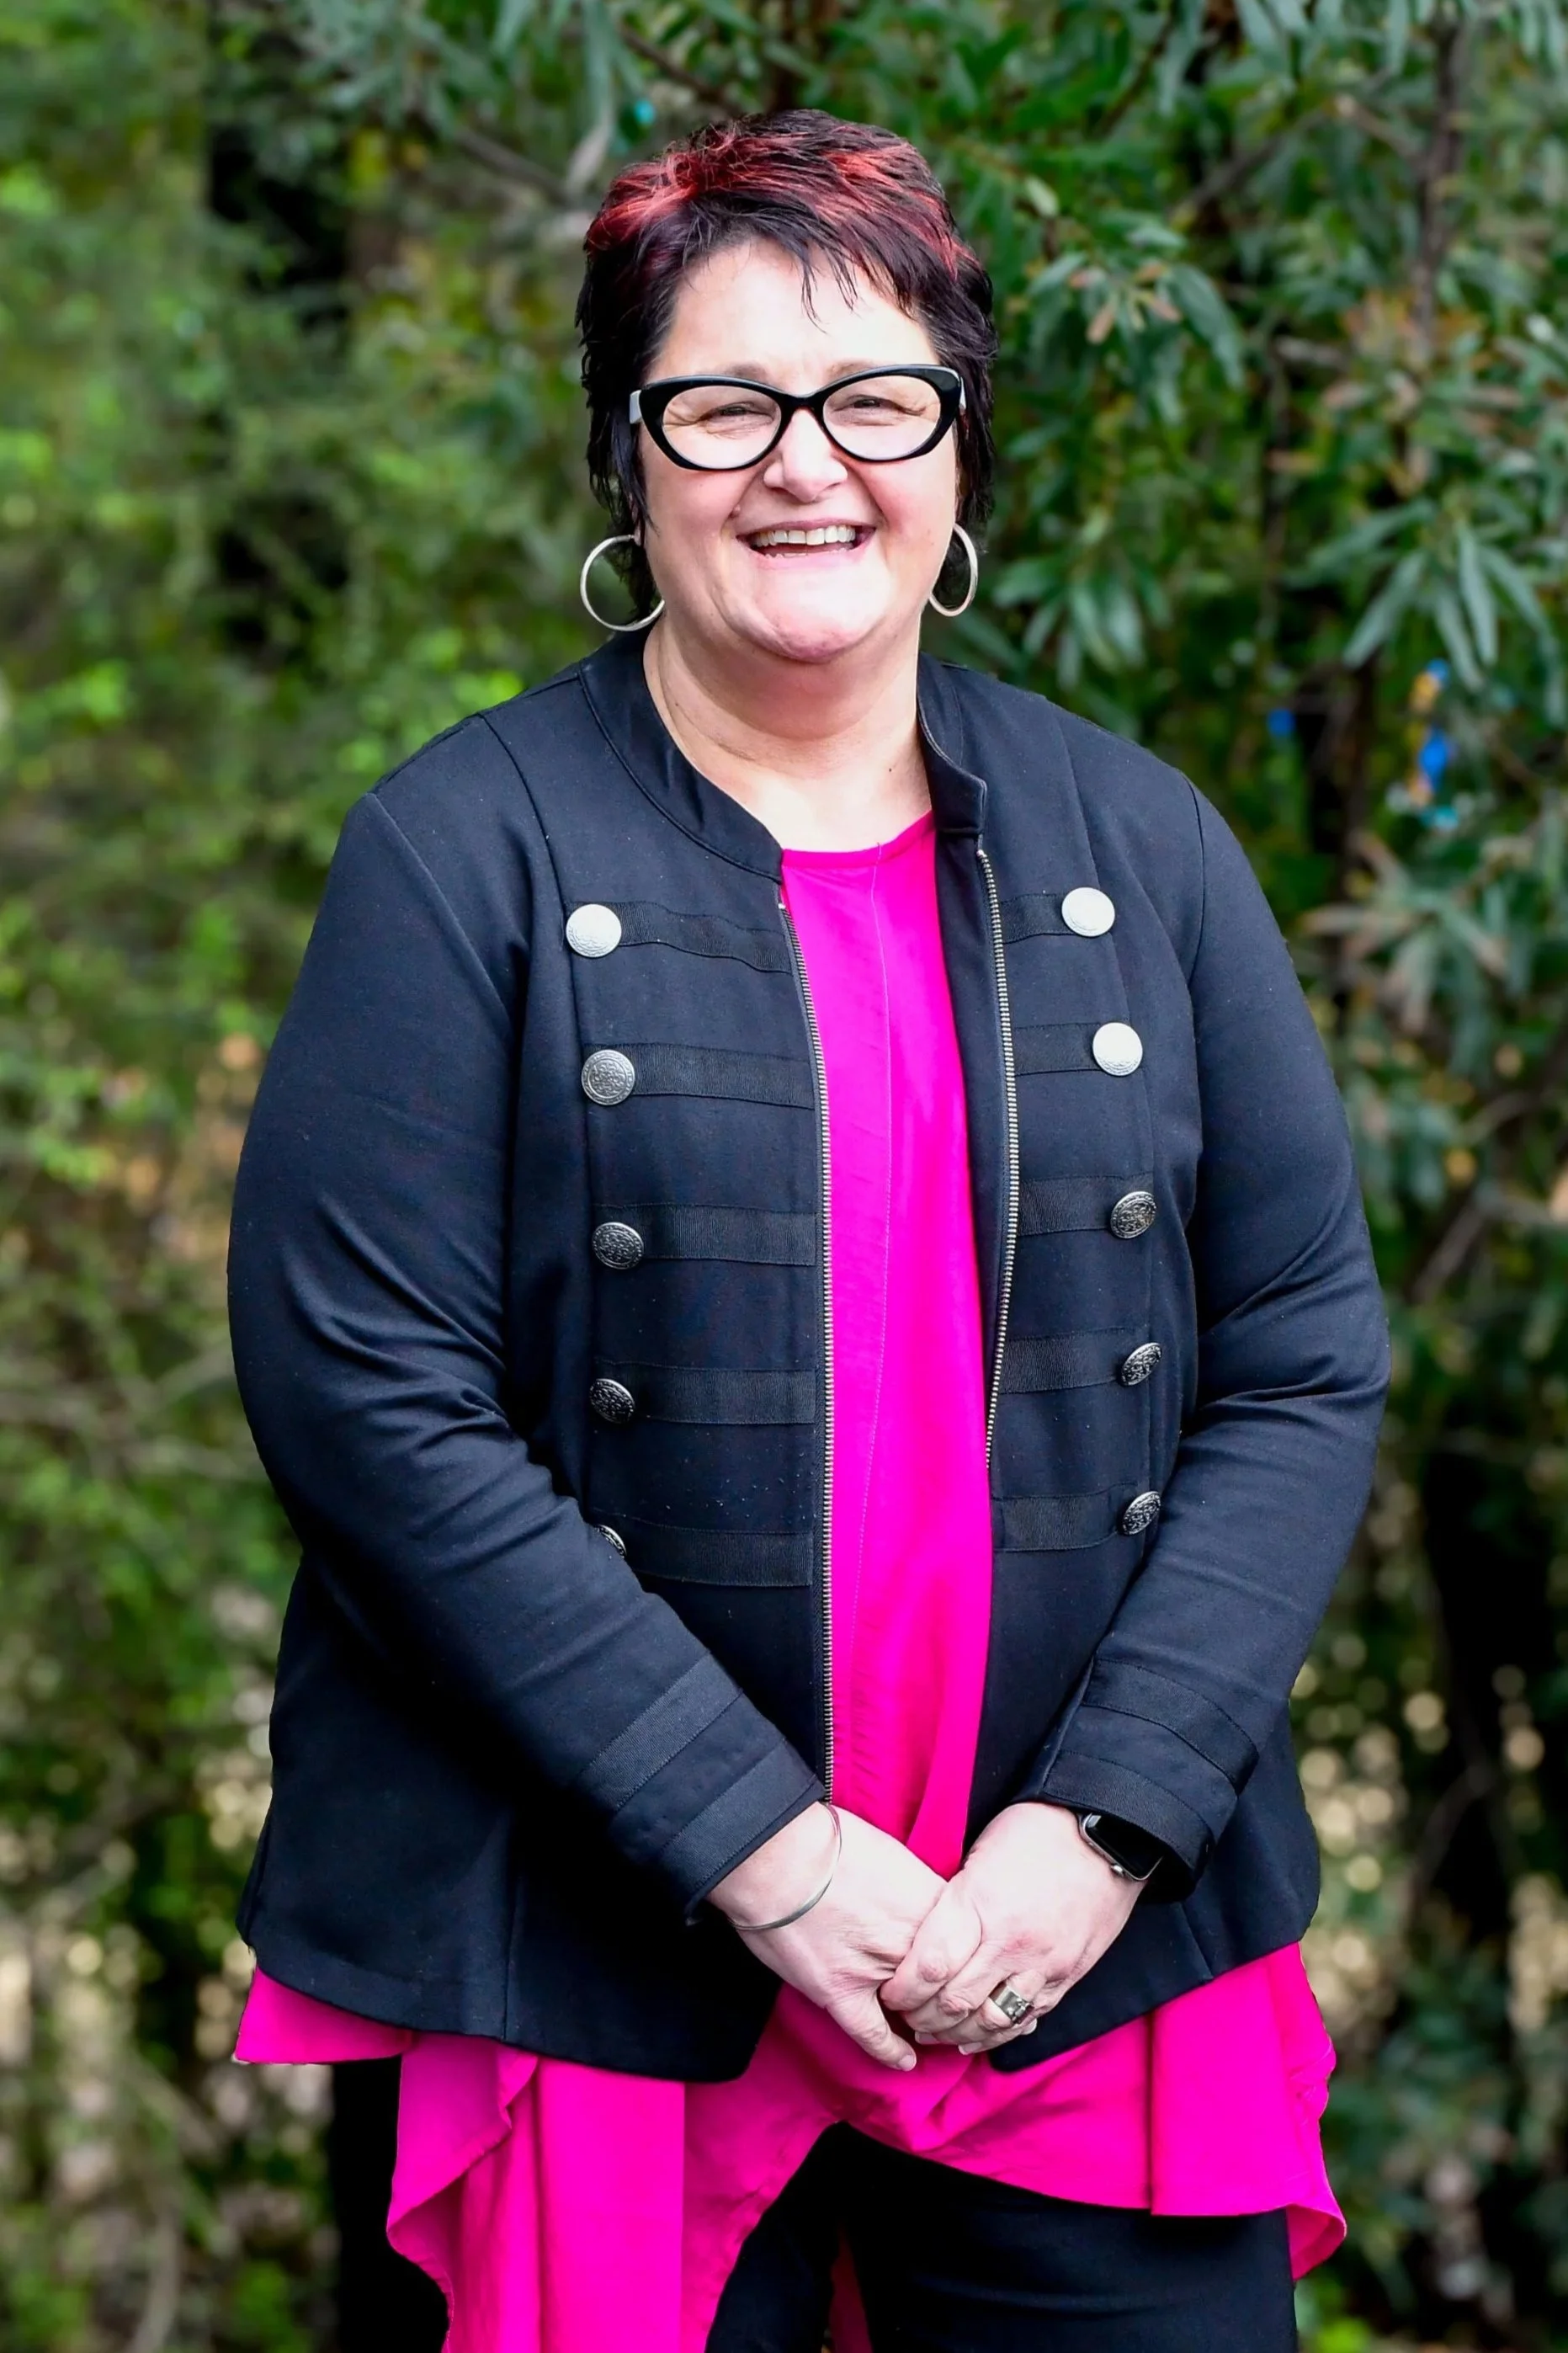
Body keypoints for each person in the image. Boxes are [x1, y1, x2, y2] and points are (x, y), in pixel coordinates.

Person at [229, 109, 1390, 2353]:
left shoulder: (1135, 844)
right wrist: (762, 1848)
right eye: (723, 404)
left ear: (953, 448)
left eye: (873, 402)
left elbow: (1296, 1346)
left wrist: (1103, 1827)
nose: (804, 467)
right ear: (626, 450)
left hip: (1076, 1965)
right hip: (592, 1969)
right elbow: (369, 1399)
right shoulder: (456, 854)